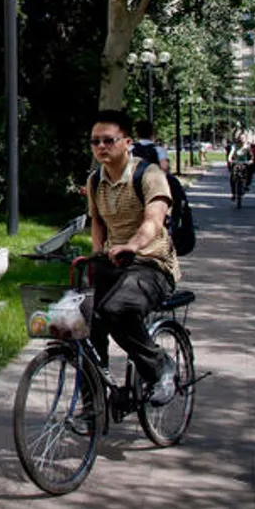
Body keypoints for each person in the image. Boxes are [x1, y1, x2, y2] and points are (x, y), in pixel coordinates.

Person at [86, 109, 179, 406]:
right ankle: (94, 402)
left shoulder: (148, 175)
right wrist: (97, 256)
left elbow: (154, 220)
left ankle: (159, 367)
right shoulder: (94, 181)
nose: (101, 146)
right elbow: (97, 222)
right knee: (81, 319)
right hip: (115, 263)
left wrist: (133, 246)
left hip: (151, 263)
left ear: (127, 142)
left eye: (109, 140)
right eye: (95, 141)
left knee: (118, 309)